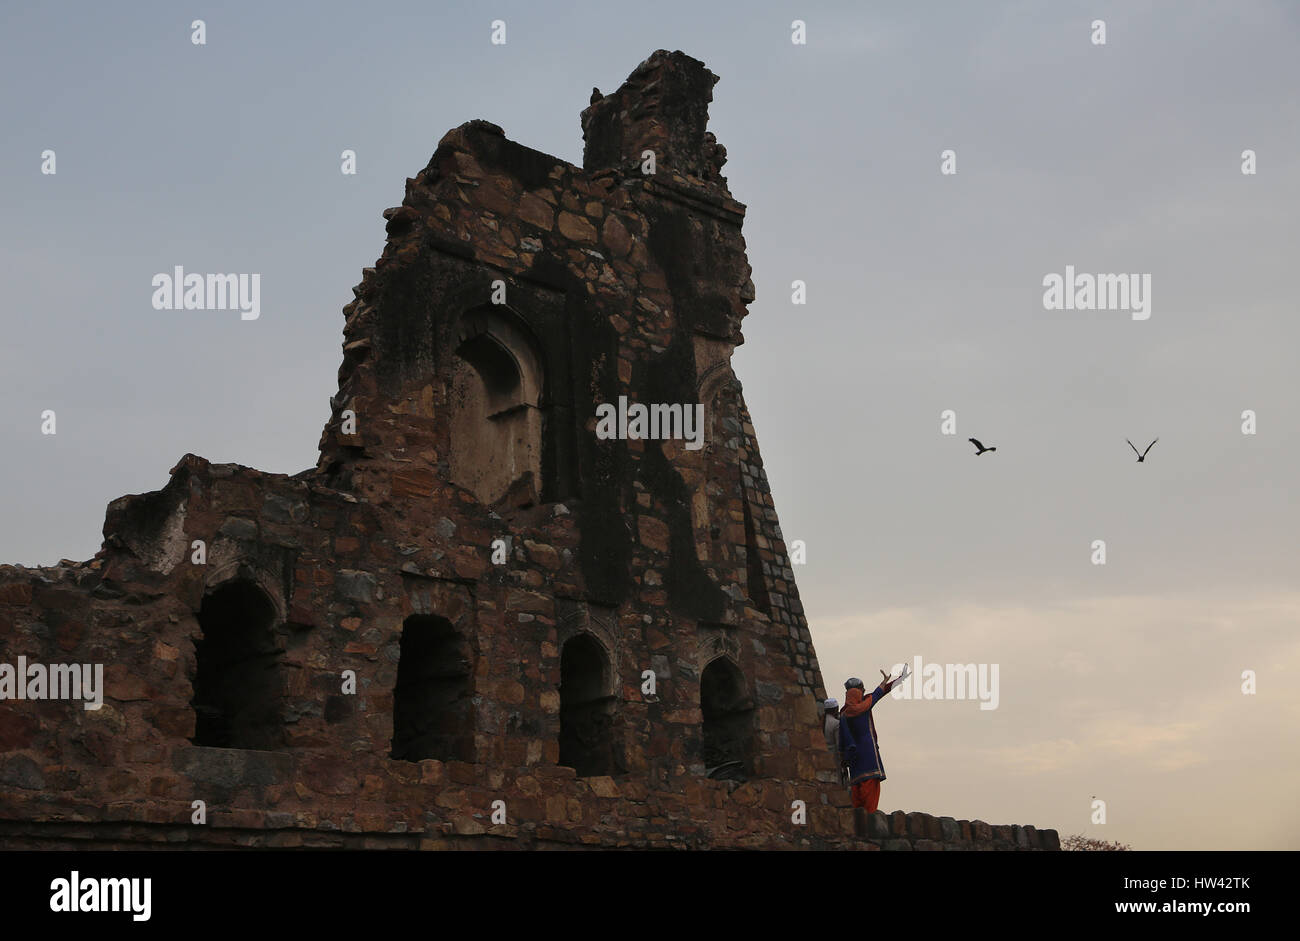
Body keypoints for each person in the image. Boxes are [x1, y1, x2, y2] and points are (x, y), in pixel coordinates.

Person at [838, 670, 898, 822]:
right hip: (869, 761)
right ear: (859, 693)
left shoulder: (843, 714)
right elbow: (878, 694)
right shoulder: (863, 708)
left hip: (854, 765)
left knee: (857, 802)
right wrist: (890, 681)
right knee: (870, 807)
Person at [821, 697, 845, 785]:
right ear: (835, 709)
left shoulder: (821, 721)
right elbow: (839, 744)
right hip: (833, 758)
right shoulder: (836, 723)